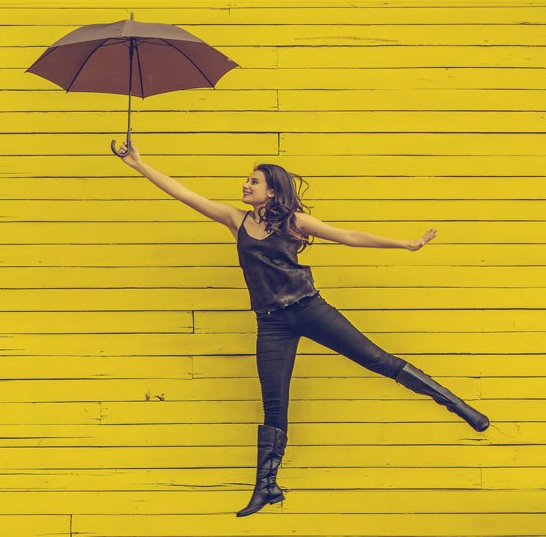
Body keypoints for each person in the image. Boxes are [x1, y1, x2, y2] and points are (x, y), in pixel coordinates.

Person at [113, 141, 490, 517]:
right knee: (274, 405)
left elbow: (349, 236)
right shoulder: (235, 219)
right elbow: (184, 194)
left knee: (378, 360)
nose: (246, 186)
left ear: (271, 191)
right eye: (247, 181)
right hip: (271, 323)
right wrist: (138, 164)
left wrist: (406, 244)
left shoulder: (294, 221)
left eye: (253, 182)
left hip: (309, 309)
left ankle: (458, 406)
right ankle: (266, 486)